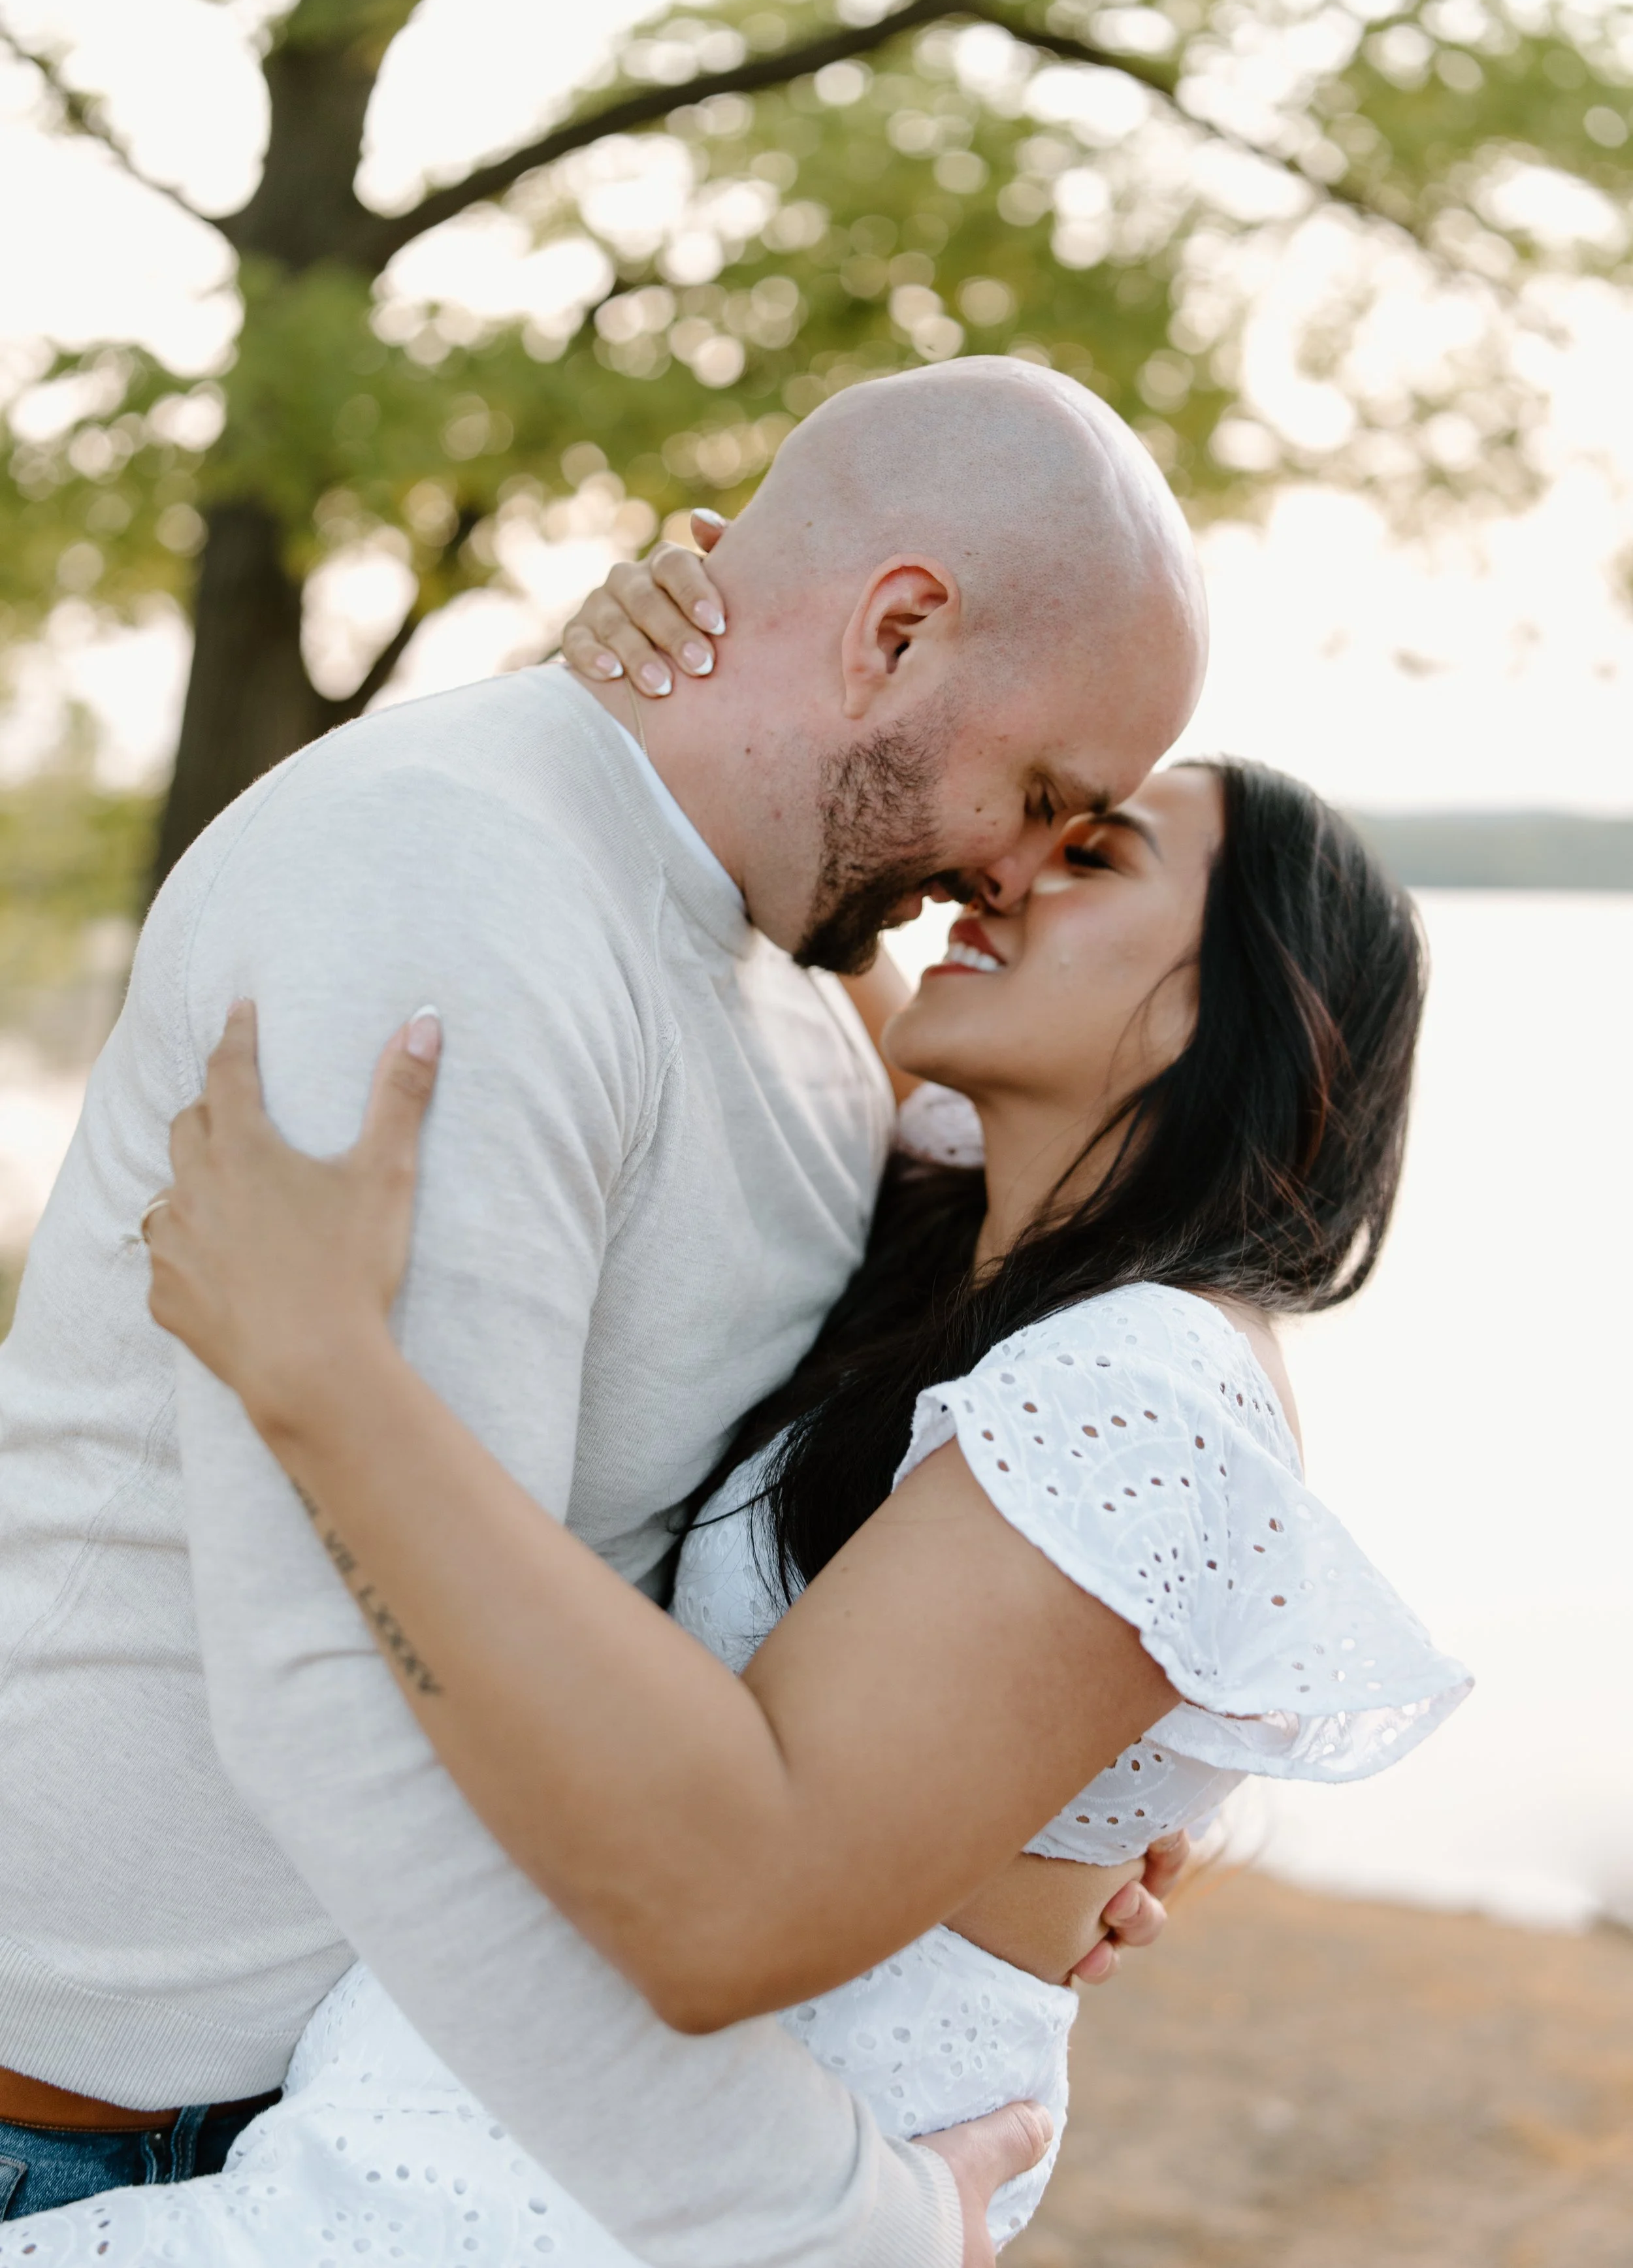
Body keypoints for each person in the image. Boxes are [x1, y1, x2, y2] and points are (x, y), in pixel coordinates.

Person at [0, 357, 1205, 2258]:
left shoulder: (809, 1000)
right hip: (88, 2124)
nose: (1010, 874)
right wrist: (843, 2218)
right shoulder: (441, 881)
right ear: (894, 629)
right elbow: (352, 1705)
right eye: (1045, 795)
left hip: (395, 2111)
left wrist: (1016, 1812)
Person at [0, 742, 1471, 2264]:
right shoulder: (975, 1244)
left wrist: (325, 1368)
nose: (1001, 872)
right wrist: (667, 643)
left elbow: (737, 1902)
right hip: (499, 2154)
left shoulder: (1146, 1381)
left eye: (1092, 859)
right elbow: (788, 871)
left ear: (1234, 1020)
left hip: (633, 2194)